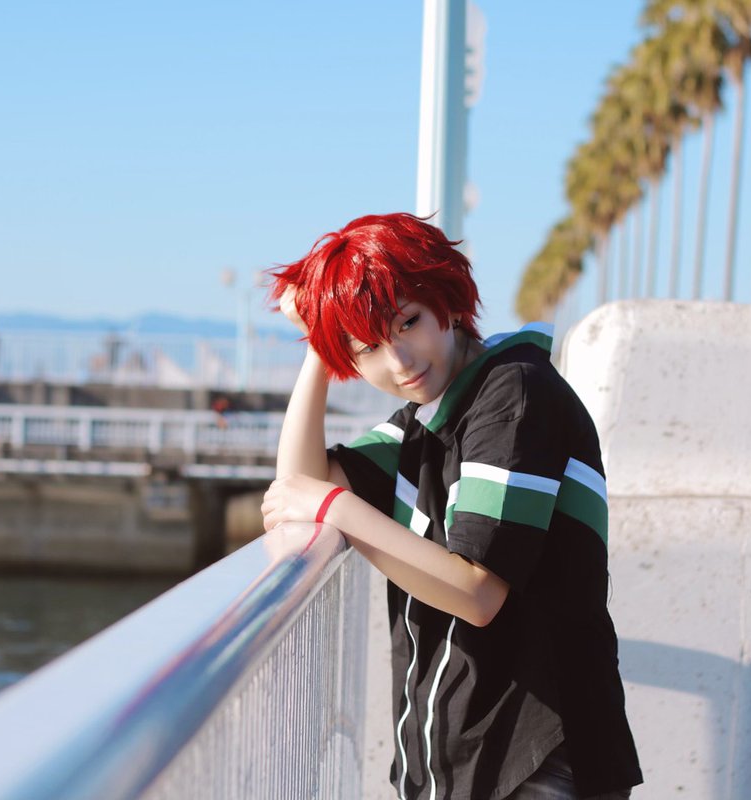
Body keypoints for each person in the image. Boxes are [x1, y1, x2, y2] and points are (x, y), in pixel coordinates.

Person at [262, 213, 642, 800]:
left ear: (447, 298)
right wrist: (321, 338)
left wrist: (335, 507)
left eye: (408, 322)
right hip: (464, 761)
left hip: (539, 759)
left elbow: (477, 593)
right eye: (367, 348)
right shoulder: (425, 422)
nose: (399, 360)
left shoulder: (513, 393)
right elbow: (298, 487)